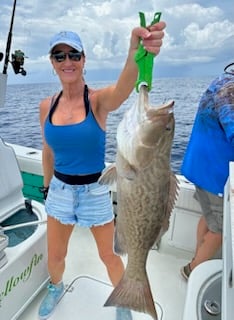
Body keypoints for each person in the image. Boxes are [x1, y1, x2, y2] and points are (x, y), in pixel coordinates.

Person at [38, 21, 166, 320]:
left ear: (83, 60)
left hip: (95, 190)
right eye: (60, 56)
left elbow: (123, 89)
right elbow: (47, 151)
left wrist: (136, 51)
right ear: (53, 63)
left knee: (109, 255)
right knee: (56, 256)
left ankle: (123, 300)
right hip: (59, 189)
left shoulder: (97, 101)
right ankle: (56, 288)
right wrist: (46, 188)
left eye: (73, 55)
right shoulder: (47, 106)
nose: (67, 61)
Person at [180, 65, 234, 280]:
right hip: (214, 172)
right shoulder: (229, 89)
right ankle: (192, 270)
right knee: (219, 228)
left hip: (201, 167)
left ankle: (197, 259)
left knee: (209, 217)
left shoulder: (222, 80)